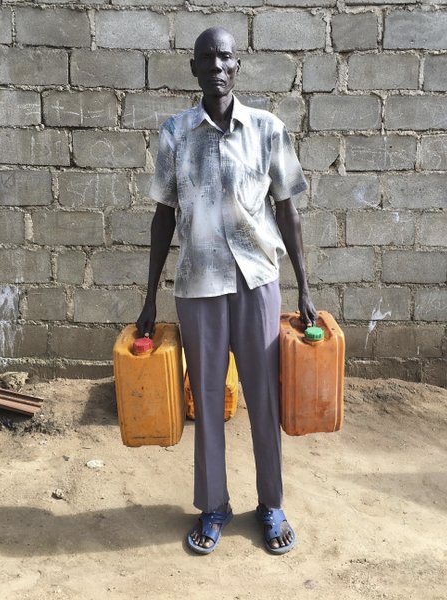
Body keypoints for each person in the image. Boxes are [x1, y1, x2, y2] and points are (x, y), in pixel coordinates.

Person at [135, 26, 316, 555]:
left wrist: (304, 286)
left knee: (263, 397)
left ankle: (271, 503)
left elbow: (287, 209)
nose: (216, 64)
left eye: (225, 56)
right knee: (207, 398)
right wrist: (149, 297)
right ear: (194, 69)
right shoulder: (175, 133)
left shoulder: (267, 130)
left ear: (237, 67)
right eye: (206, 57)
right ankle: (213, 505)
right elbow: (163, 217)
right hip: (199, 285)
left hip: (257, 281)